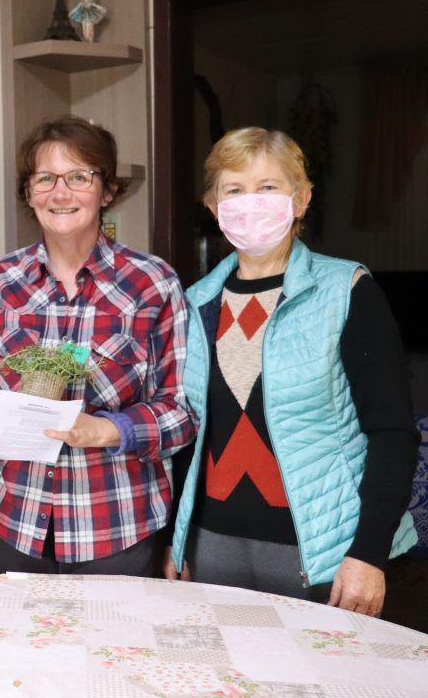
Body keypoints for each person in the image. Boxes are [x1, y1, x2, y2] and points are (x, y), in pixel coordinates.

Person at [167, 128, 418, 614]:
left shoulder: (346, 289)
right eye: (233, 190)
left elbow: (391, 433)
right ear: (212, 205)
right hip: (211, 547)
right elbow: (188, 439)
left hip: (325, 554)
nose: (250, 202)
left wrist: (368, 554)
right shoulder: (194, 302)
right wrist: (175, 544)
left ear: (301, 200)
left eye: (268, 187)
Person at [0, 116, 195, 577]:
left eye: (79, 177)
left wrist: (107, 431)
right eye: (44, 179)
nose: (60, 193)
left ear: (106, 191)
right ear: (29, 193)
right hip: (12, 517)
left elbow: (181, 410)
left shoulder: (152, 284)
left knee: (113, 650)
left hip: (116, 521)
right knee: (18, 648)